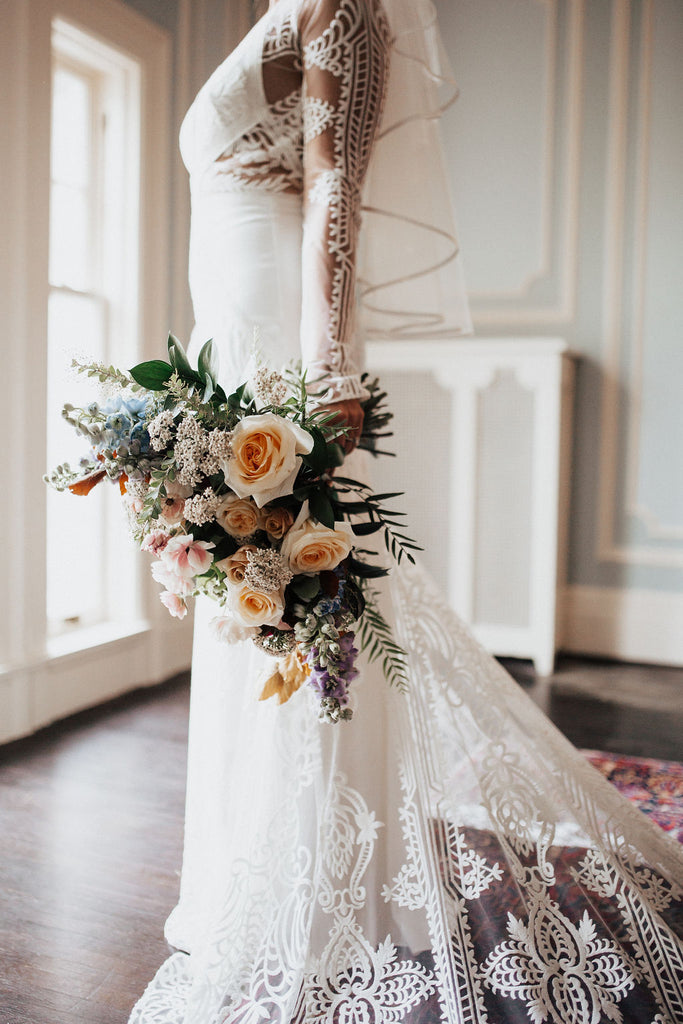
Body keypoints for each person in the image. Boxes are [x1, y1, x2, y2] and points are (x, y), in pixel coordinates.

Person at [129, 1, 683, 1021]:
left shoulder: (344, 11)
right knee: (243, 618)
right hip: (229, 345)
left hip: (279, 366)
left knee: (304, 615)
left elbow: (336, 200)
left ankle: (326, 882)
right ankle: (236, 870)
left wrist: (322, 397)